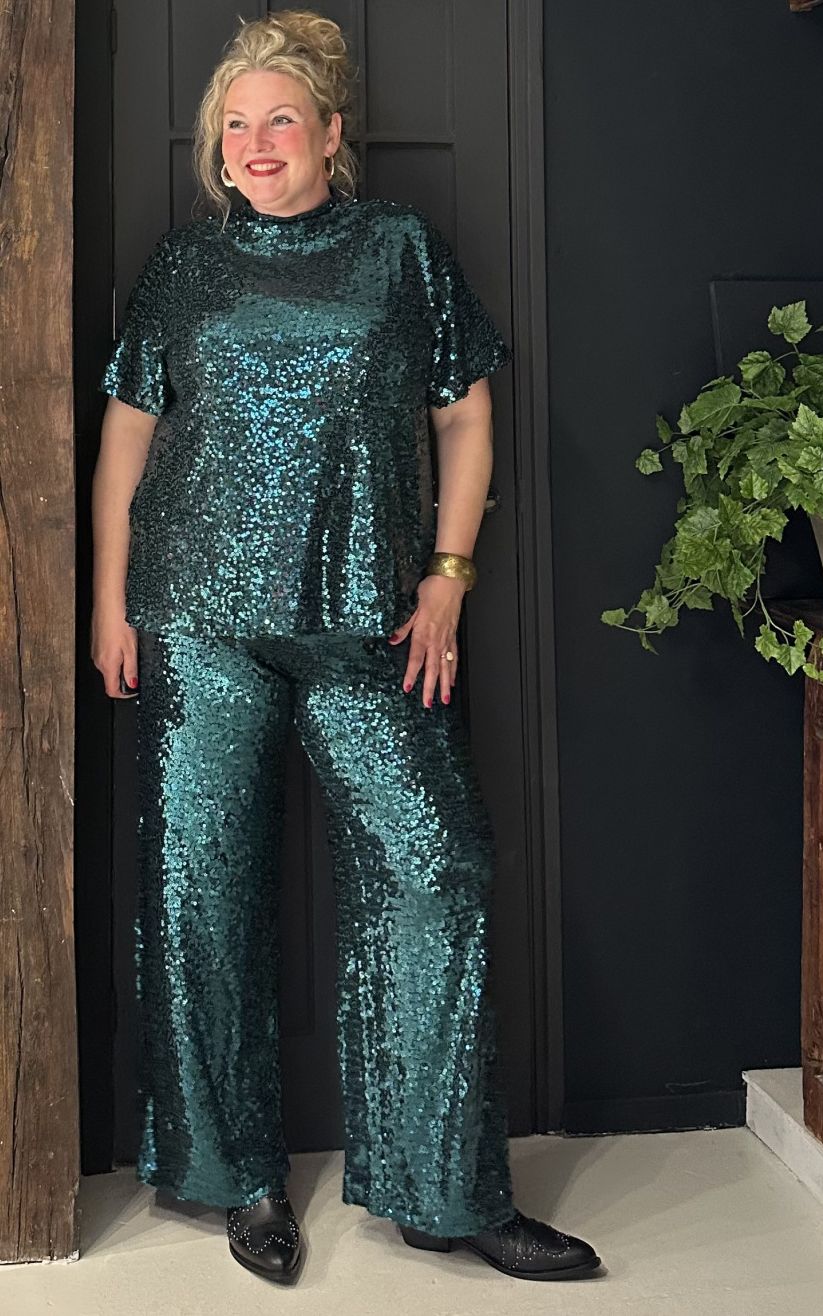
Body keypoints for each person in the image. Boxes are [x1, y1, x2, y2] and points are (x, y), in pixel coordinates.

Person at [90, 8, 602, 1288]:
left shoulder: (399, 251)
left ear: (330, 135)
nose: (255, 144)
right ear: (216, 146)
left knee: (439, 868)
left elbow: (466, 415)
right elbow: (127, 440)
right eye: (235, 126)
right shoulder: (182, 265)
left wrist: (449, 575)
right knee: (201, 894)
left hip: (371, 624)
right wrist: (108, 602)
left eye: (280, 120)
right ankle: (239, 1180)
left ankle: (445, 1192)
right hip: (198, 619)